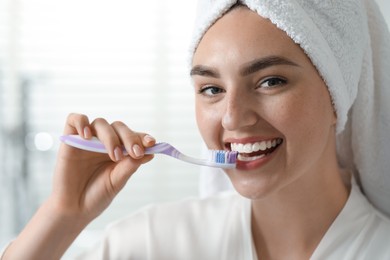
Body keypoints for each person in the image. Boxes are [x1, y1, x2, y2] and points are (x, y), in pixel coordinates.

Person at [2, 0, 390, 259]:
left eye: (271, 81)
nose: (233, 118)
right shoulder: (154, 242)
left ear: (340, 92)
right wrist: (63, 214)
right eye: (212, 89)